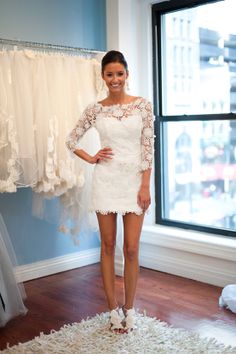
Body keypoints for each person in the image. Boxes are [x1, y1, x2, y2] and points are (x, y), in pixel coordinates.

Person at [66, 50, 154, 333]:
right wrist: (91, 157)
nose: (115, 79)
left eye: (119, 73)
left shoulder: (142, 106)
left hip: (133, 183)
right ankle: (112, 310)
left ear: (127, 74)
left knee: (131, 248)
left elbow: (147, 149)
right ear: (103, 76)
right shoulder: (96, 109)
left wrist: (144, 185)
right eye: (109, 74)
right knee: (107, 246)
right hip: (106, 182)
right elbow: (71, 139)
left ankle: (130, 309)